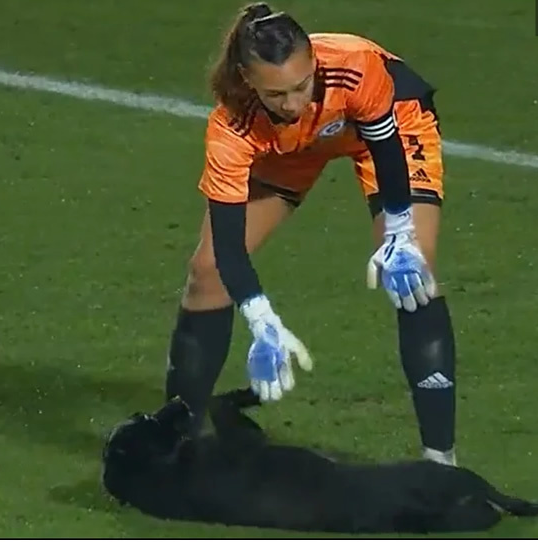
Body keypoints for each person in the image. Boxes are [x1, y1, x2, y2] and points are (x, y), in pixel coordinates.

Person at [165, 2, 459, 466]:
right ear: (247, 80)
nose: (294, 102)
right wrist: (262, 320)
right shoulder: (232, 127)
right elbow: (226, 244)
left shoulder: (355, 67)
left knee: (413, 275)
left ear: (315, 66)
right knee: (206, 274)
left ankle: (440, 460)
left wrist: (399, 233)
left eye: (302, 85)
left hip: (382, 125)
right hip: (291, 144)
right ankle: (177, 443)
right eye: (277, 93)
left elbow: (385, 148)